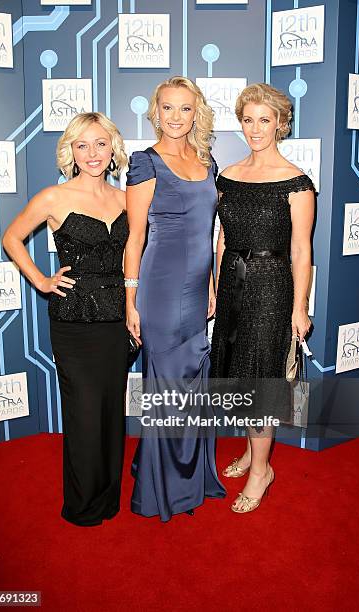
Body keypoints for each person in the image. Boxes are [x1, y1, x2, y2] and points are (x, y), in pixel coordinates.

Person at [3, 112, 129, 526]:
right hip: (74, 321)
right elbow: (11, 237)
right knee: (84, 411)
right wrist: (40, 280)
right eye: (82, 145)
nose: (92, 153)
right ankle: (83, 504)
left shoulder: (126, 198)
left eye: (100, 143)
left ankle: (109, 495)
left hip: (117, 320)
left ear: (113, 149)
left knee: (111, 410)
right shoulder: (54, 197)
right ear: (71, 152)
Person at [210, 83, 315, 513]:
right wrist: (215, 289)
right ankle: (254, 455)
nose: (255, 129)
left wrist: (299, 308)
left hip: (271, 288)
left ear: (281, 124)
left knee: (260, 380)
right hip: (233, 284)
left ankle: (261, 472)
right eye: (248, 119)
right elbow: (221, 240)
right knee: (237, 376)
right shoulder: (227, 176)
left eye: (264, 120)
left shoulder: (296, 182)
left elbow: (302, 251)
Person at [125, 76, 226, 521]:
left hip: (197, 285)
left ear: (196, 113)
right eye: (168, 108)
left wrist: (210, 285)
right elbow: (134, 238)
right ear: (156, 112)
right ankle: (161, 489)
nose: (176, 117)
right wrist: (132, 300)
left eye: (185, 109)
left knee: (193, 379)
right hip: (161, 288)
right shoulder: (145, 163)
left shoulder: (208, 163)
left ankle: (191, 475)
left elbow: (208, 232)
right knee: (166, 384)